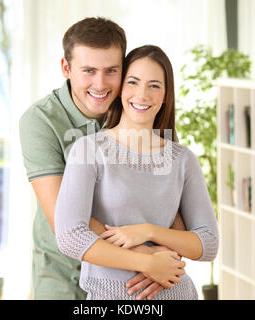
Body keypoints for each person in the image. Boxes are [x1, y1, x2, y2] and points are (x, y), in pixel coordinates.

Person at [19, 17, 185, 300]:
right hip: (66, 277)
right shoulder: (40, 121)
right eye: (88, 71)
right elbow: (66, 220)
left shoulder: (138, 109)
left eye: (111, 71)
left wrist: (167, 256)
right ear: (66, 68)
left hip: (134, 282)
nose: (100, 83)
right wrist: (147, 258)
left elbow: (173, 202)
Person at [54, 45, 219, 300]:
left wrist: (148, 231)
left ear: (166, 95)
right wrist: (148, 262)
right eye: (133, 82)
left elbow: (208, 244)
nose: (142, 94)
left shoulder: (183, 160)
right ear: (120, 89)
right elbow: (70, 236)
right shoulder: (89, 149)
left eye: (154, 85)